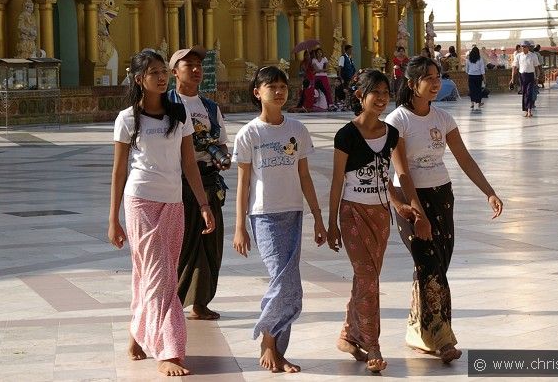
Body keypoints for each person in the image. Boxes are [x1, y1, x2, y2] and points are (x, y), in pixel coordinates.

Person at [385, 56, 503, 365]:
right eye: (429, 78)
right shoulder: (397, 121)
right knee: (429, 265)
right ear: (412, 84)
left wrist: (489, 192)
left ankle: (417, 331)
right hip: (412, 201)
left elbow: (464, 159)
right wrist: (417, 213)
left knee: (439, 263)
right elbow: (403, 172)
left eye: (438, 77)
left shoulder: (442, 118)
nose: (436, 83)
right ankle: (440, 337)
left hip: (442, 196)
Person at [108, 49, 216, 377]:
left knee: (152, 275)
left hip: (173, 202)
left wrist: (203, 204)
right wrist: (113, 219)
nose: (160, 76)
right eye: (153, 72)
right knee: (163, 277)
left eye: (162, 71)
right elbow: (118, 171)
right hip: (140, 201)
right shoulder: (127, 119)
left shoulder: (178, 113)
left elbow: (189, 164)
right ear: (139, 79)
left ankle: (137, 333)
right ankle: (169, 350)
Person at [327, 69, 426, 374]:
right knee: (369, 278)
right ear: (360, 96)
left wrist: (408, 205)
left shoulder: (391, 134)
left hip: (380, 215)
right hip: (353, 214)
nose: (382, 99)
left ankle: (348, 334)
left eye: (386, 93)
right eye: (376, 93)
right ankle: (373, 345)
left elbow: (396, 177)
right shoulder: (346, 135)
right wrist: (331, 224)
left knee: (365, 279)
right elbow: (336, 182)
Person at [232, 66, 327, 373]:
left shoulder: (297, 129)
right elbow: (244, 183)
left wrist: (317, 216)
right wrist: (239, 227)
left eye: (283, 86)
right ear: (257, 92)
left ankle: (278, 349)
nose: (279, 91)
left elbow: (304, 175)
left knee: (290, 285)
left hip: (293, 212)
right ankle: (268, 339)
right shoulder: (250, 133)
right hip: (264, 215)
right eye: (271, 86)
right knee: (282, 281)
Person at [168, 47, 230, 323]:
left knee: (210, 242)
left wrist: (221, 157)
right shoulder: (166, 104)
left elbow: (221, 143)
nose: (195, 70)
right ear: (174, 72)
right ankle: (172, 302)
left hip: (207, 180)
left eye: (198, 65)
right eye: (188, 64)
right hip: (177, 182)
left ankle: (201, 302)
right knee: (183, 242)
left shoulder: (210, 108)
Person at [510, 40, 540, 117]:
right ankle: (526, 110)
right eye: (522, 46)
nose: (523, 48)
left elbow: (536, 68)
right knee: (524, 93)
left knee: (529, 92)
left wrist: (537, 77)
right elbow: (514, 67)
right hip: (522, 76)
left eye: (525, 46)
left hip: (530, 75)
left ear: (528, 47)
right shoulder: (518, 56)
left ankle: (529, 109)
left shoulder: (533, 56)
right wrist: (513, 78)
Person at [465, 45, 485, 110]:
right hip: (478, 76)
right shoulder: (480, 59)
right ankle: (478, 103)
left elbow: (466, 69)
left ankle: (472, 103)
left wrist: (468, 74)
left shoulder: (468, 59)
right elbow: (482, 69)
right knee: (478, 89)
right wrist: (484, 78)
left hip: (471, 76)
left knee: (472, 90)